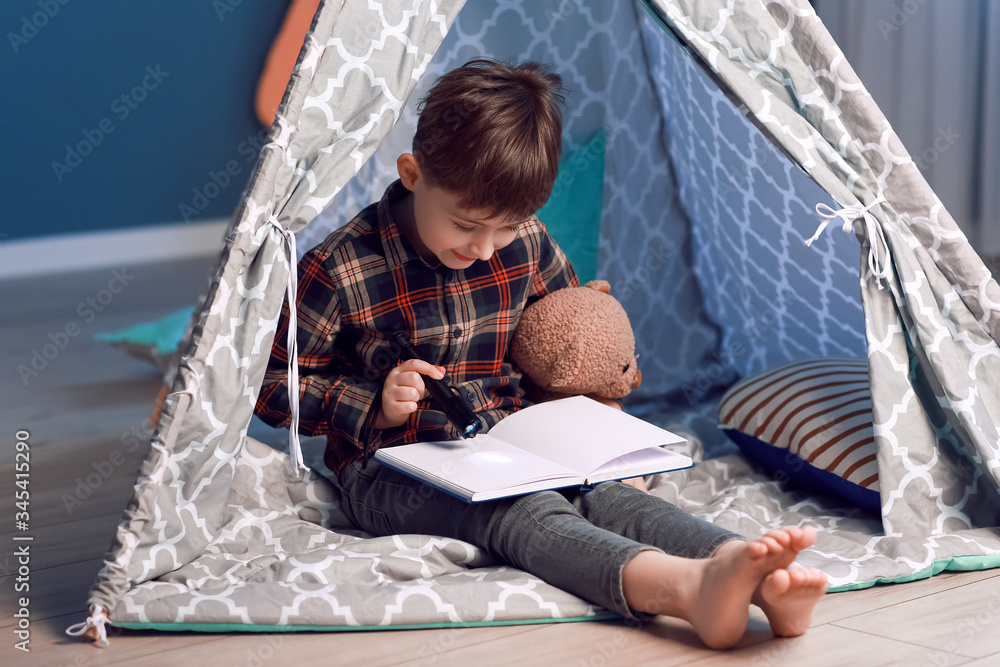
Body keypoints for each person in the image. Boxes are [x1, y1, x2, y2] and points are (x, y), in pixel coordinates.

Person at [254, 58, 827, 650]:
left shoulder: (524, 241)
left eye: (503, 230)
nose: (483, 249)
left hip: (515, 442)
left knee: (606, 494)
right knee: (519, 512)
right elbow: (271, 387)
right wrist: (372, 403)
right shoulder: (339, 265)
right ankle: (682, 590)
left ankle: (750, 572)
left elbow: (569, 330)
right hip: (392, 467)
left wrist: (597, 403)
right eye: (466, 226)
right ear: (412, 173)